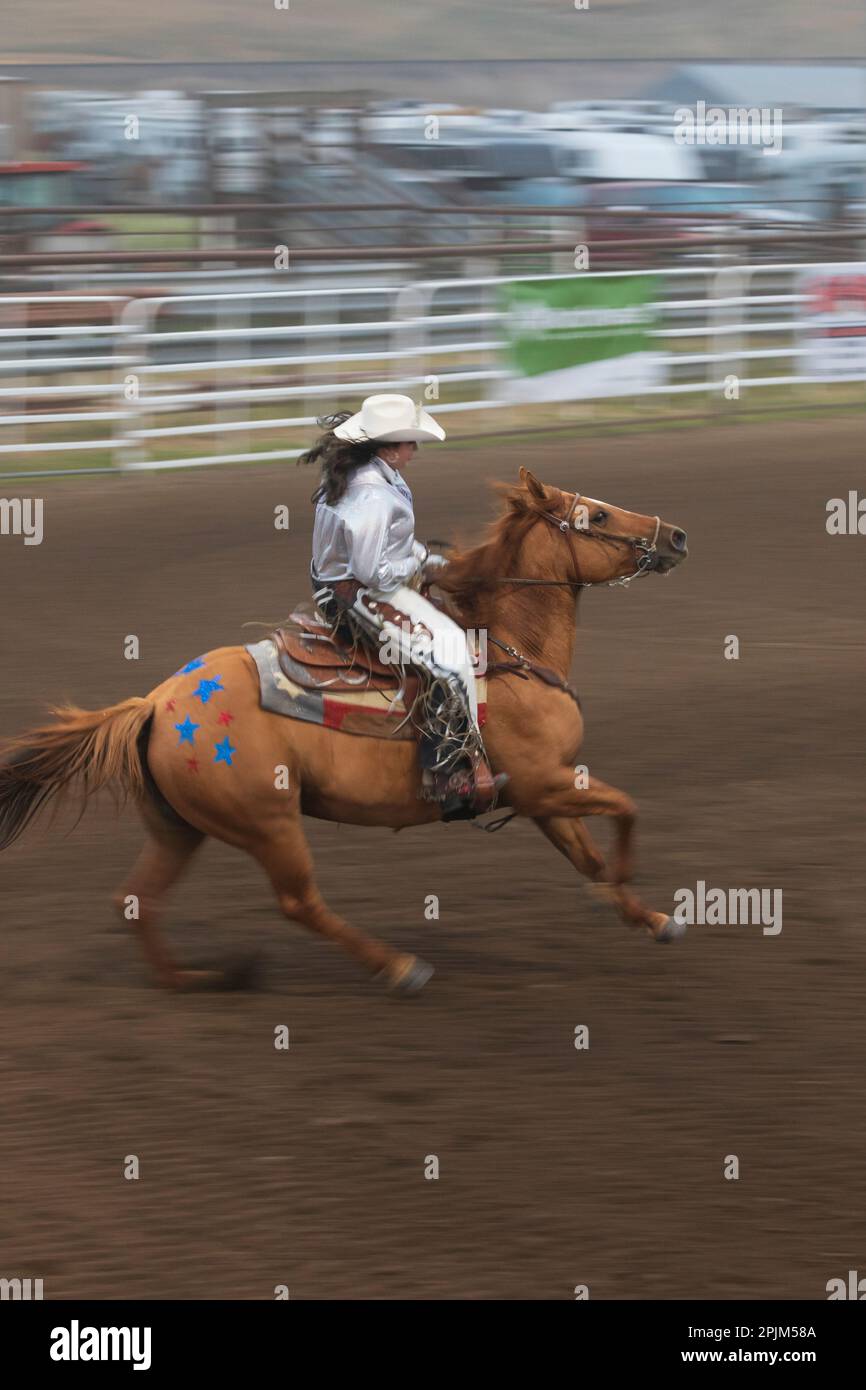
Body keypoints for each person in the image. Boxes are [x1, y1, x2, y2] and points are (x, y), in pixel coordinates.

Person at [300, 393, 506, 821]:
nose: (415, 449)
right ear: (390, 446)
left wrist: (429, 560)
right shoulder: (375, 494)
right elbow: (375, 571)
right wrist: (419, 561)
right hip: (354, 595)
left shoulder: (365, 475)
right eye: (410, 442)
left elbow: (381, 553)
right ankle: (449, 777)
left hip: (345, 584)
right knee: (449, 656)